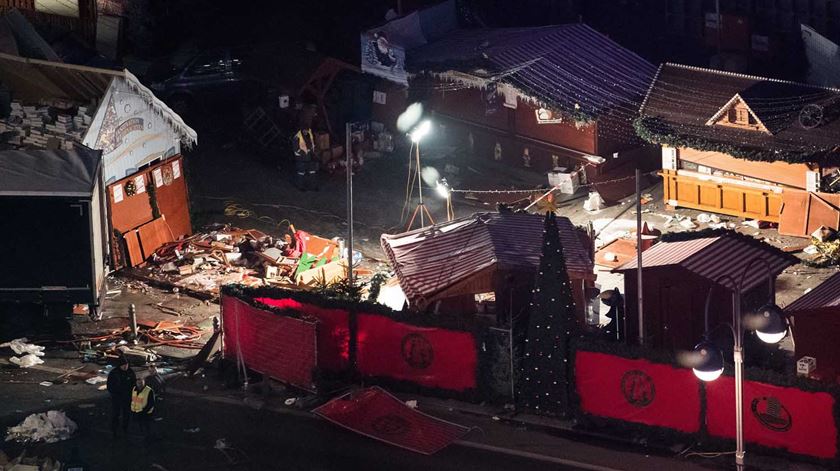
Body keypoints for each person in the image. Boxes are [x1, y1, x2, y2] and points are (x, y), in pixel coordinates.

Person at [106, 356, 135, 438]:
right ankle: (114, 430)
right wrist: (116, 393)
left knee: (127, 414)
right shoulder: (114, 373)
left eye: (126, 364)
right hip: (117, 398)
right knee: (116, 414)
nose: (125, 366)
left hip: (127, 398)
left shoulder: (130, 372)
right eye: (124, 365)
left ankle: (125, 428)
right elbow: (110, 386)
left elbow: (133, 383)